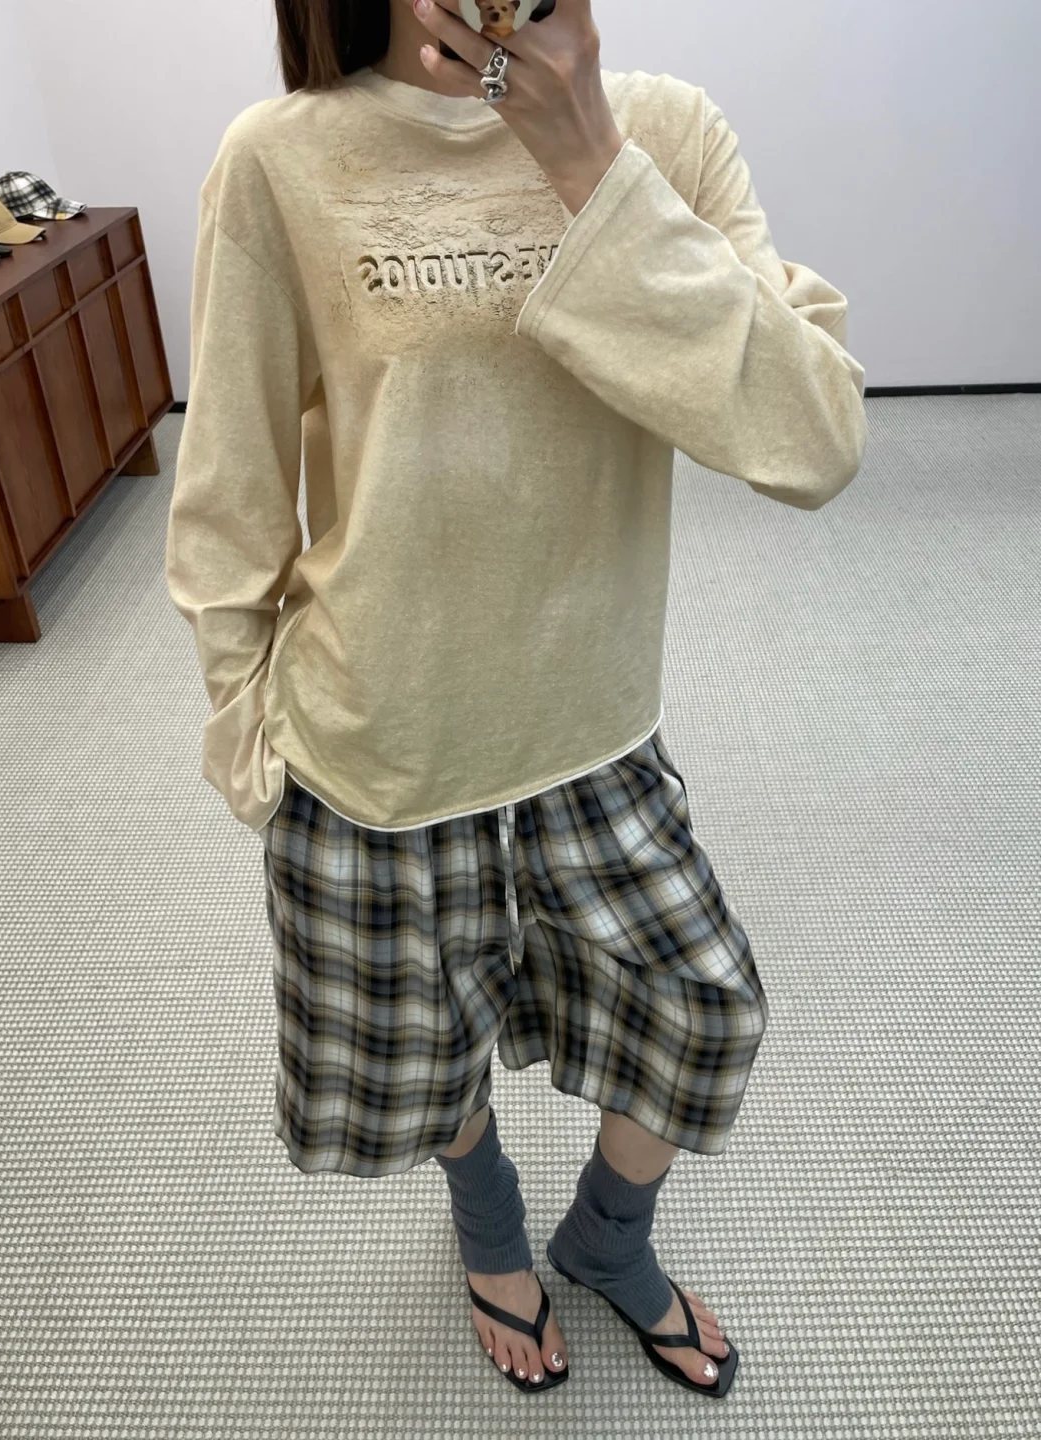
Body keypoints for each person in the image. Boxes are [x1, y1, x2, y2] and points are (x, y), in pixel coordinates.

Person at [165, 0, 867, 1401]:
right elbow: (230, 478)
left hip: (590, 728)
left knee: (703, 1009)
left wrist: (590, 162)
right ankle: (487, 1220)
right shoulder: (281, 158)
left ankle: (606, 1239)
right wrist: (246, 732)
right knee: (430, 1051)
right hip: (376, 743)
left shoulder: (664, 132)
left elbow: (814, 439)